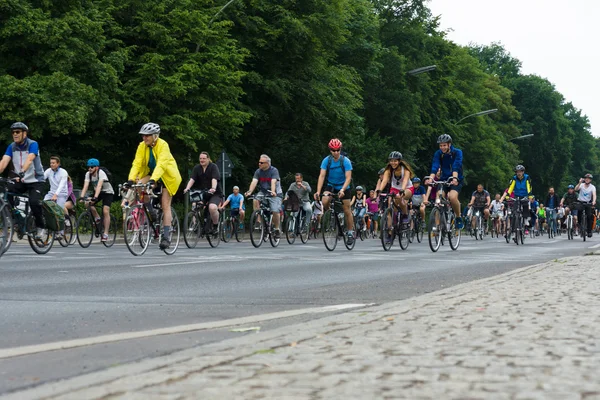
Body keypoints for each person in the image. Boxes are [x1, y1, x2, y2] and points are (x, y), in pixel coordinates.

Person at [125, 122, 182, 249]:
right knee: (139, 185)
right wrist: (130, 179)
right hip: (152, 175)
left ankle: (166, 237)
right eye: (143, 136)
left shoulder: (163, 145)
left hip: (168, 177)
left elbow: (161, 164)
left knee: (165, 204)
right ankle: (151, 212)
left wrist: (153, 180)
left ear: (155, 136)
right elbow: (137, 163)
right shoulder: (142, 146)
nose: (144, 138)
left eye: (147, 136)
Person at [0, 122, 46, 238]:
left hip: (36, 180)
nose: (15, 134)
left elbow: (30, 159)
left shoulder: (33, 144)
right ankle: (15, 218)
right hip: (21, 180)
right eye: (13, 132)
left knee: (34, 202)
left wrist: (21, 172)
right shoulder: (12, 146)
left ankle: (41, 226)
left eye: (18, 132)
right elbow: (4, 161)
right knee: (5, 192)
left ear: (24, 133)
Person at [314, 138, 355, 244]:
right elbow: (322, 176)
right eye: (333, 150)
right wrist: (318, 191)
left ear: (340, 149)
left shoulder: (345, 161)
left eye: (338, 150)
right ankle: (331, 213)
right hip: (331, 185)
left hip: (344, 186)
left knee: (347, 209)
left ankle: (350, 232)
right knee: (324, 200)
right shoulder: (326, 160)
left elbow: (348, 178)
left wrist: (342, 189)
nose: (336, 152)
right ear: (330, 150)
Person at [183, 152, 223, 234]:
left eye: (204, 158)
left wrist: (213, 188)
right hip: (203, 193)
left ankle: (215, 226)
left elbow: (214, 179)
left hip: (215, 193)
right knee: (195, 205)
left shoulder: (213, 167)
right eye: (200, 158)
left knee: (212, 207)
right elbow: (192, 179)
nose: (202, 160)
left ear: (208, 159)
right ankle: (196, 225)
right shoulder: (197, 168)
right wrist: (187, 188)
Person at [245, 154, 283, 239]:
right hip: (263, 192)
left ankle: (277, 229)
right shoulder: (258, 171)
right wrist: (249, 191)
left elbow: (273, 182)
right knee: (255, 199)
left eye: (261, 162)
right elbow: (254, 182)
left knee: (275, 210)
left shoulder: (274, 170)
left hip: (275, 193)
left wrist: (273, 191)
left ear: (267, 163)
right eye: (259, 162)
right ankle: (258, 220)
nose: (259, 164)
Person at [430, 134, 464, 228]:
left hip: (456, 179)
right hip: (444, 179)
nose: (442, 147)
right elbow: (435, 165)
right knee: (438, 200)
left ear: (449, 144)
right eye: (440, 145)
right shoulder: (438, 154)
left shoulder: (457, 152)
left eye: (444, 145)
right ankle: (437, 226)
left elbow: (456, 166)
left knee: (453, 198)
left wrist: (455, 178)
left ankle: (458, 217)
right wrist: (430, 178)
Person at [80, 158, 114, 242]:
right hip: (97, 192)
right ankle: (97, 218)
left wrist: (95, 197)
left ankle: (105, 234)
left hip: (107, 192)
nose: (90, 169)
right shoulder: (88, 174)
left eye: (92, 167)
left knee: (105, 211)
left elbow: (99, 186)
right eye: (88, 167)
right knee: (87, 203)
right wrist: (82, 196)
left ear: (96, 167)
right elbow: (86, 186)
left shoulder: (101, 173)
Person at [377, 151, 414, 223]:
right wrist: (379, 190)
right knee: (391, 204)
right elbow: (384, 181)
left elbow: (405, 181)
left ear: (399, 161)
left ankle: (405, 214)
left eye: (395, 161)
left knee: (400, 197)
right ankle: (392, 225)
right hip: (394, 188)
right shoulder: (388, 170)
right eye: (391, 161)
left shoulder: (405, 170)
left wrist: (402, 189)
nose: (393, 163)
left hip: (407, 188)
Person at [502, 165, 533, 233]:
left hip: (525, 195)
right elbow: (511, 187)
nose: (518, 173)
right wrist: (508, 195)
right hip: (517, 195)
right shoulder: (514, 178)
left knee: (525, 207)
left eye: (520, 172)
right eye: (517, 172)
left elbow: (528, 186)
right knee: (515, 212)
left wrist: (529, 195)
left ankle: (525, 220)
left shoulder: (527, 177)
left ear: (523, 172)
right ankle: (514, 228)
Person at [575, 173, 597, 238]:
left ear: (590, 180)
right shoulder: (581, 185)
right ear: (584, 179)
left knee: (589, 216)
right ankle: (579, 225)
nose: (587, 180)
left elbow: (594, 194)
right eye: (586, 178)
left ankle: (589, 231)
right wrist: (579, 183)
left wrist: (593, 201)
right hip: (580, 202)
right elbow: (576, 189)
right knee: (579, 213)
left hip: (588, 203)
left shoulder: (592, 187)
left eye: (588, 179)